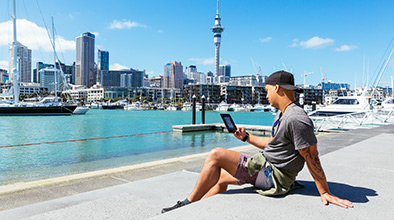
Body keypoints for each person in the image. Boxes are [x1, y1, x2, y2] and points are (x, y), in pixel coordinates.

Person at [161, 70, 353, 213]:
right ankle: (192, 213)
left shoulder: (296, 118)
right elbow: (274, 144)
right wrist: (245, 138)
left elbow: (312, 157)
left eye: (267, 90)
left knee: (216, 155)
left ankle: (186, 205)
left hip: (272, 176)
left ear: (277, 88)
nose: (266, 95)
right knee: (219, 180)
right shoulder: (283, 112)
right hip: (268, 168)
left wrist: (324, 192)